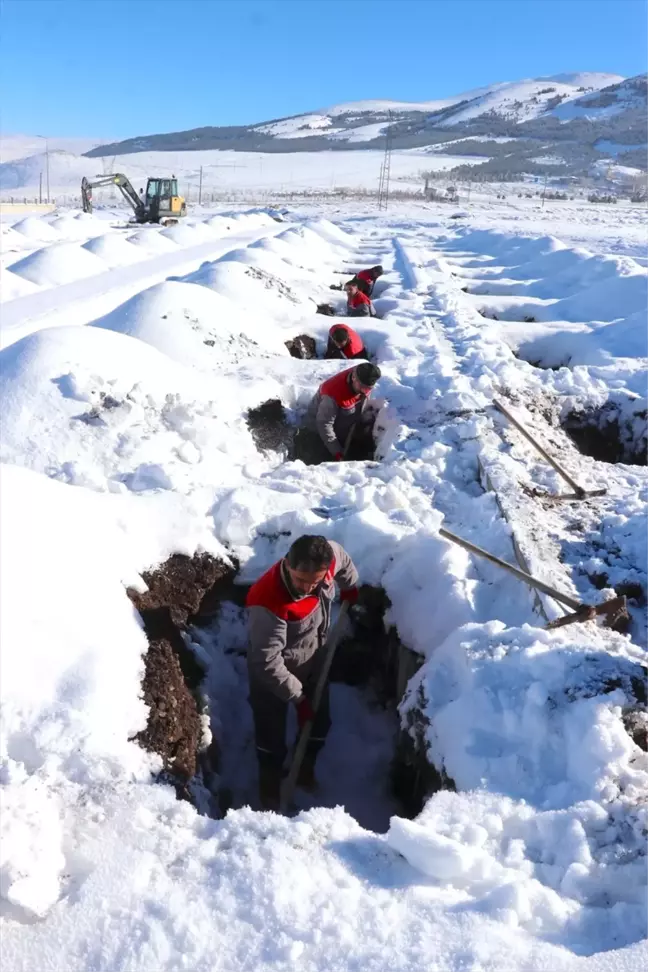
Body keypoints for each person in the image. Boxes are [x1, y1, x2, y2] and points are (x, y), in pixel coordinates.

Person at [246, 534, 359, 810]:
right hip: (271, 676)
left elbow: (341, 557)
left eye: (315, 582)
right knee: (271, 737)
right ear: (287, 564)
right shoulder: (268, 600)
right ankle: (270, 792)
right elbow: (267, 662)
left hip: (312, 662)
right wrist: (298, 698)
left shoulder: (328, 560)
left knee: (319, 725)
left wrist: (351, 586)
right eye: (299, 581)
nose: (307, 588)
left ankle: (303, 772)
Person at [304, 361, 381, 461]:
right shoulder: (333, 394)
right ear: (353, 378)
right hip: (319, 434)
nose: (364, 391)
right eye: (362, 387)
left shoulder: (364, 374)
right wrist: (337, 452)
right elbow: (324, 424)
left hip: (344, 425)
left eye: (368, 388)